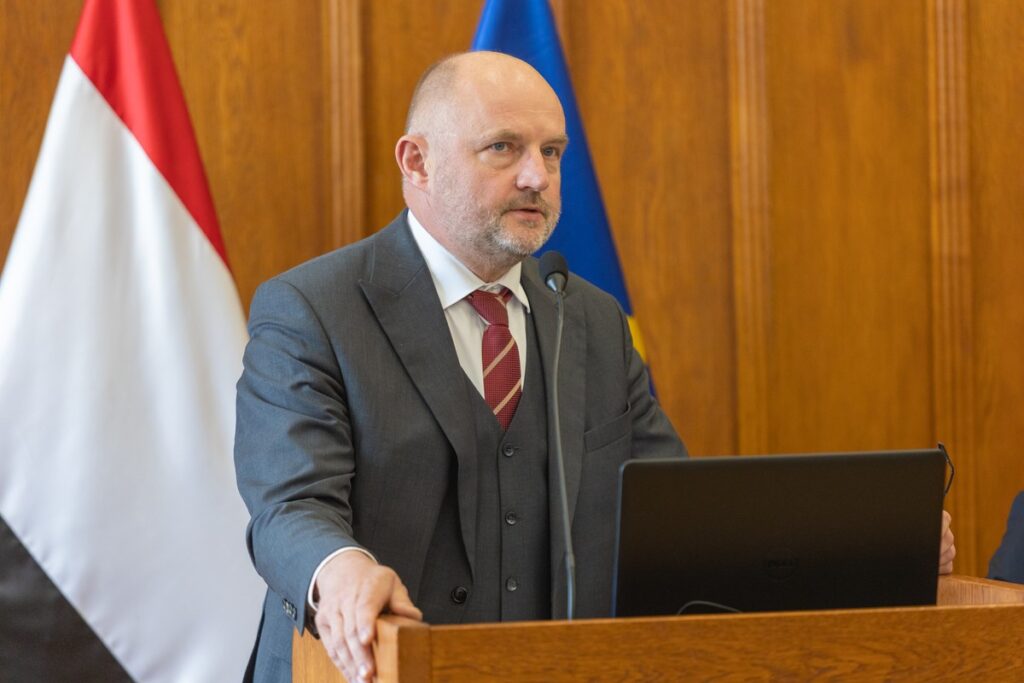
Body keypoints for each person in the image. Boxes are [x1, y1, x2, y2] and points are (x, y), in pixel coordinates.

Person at [234, 51, 955, 683]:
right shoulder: (311, 308)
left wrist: (870, 542)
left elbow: (674, 509)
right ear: (416, 161)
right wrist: (341, 570)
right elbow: (290, 506)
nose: (536, 177)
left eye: (552, 153)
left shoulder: (590, 319)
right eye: (503, 148)